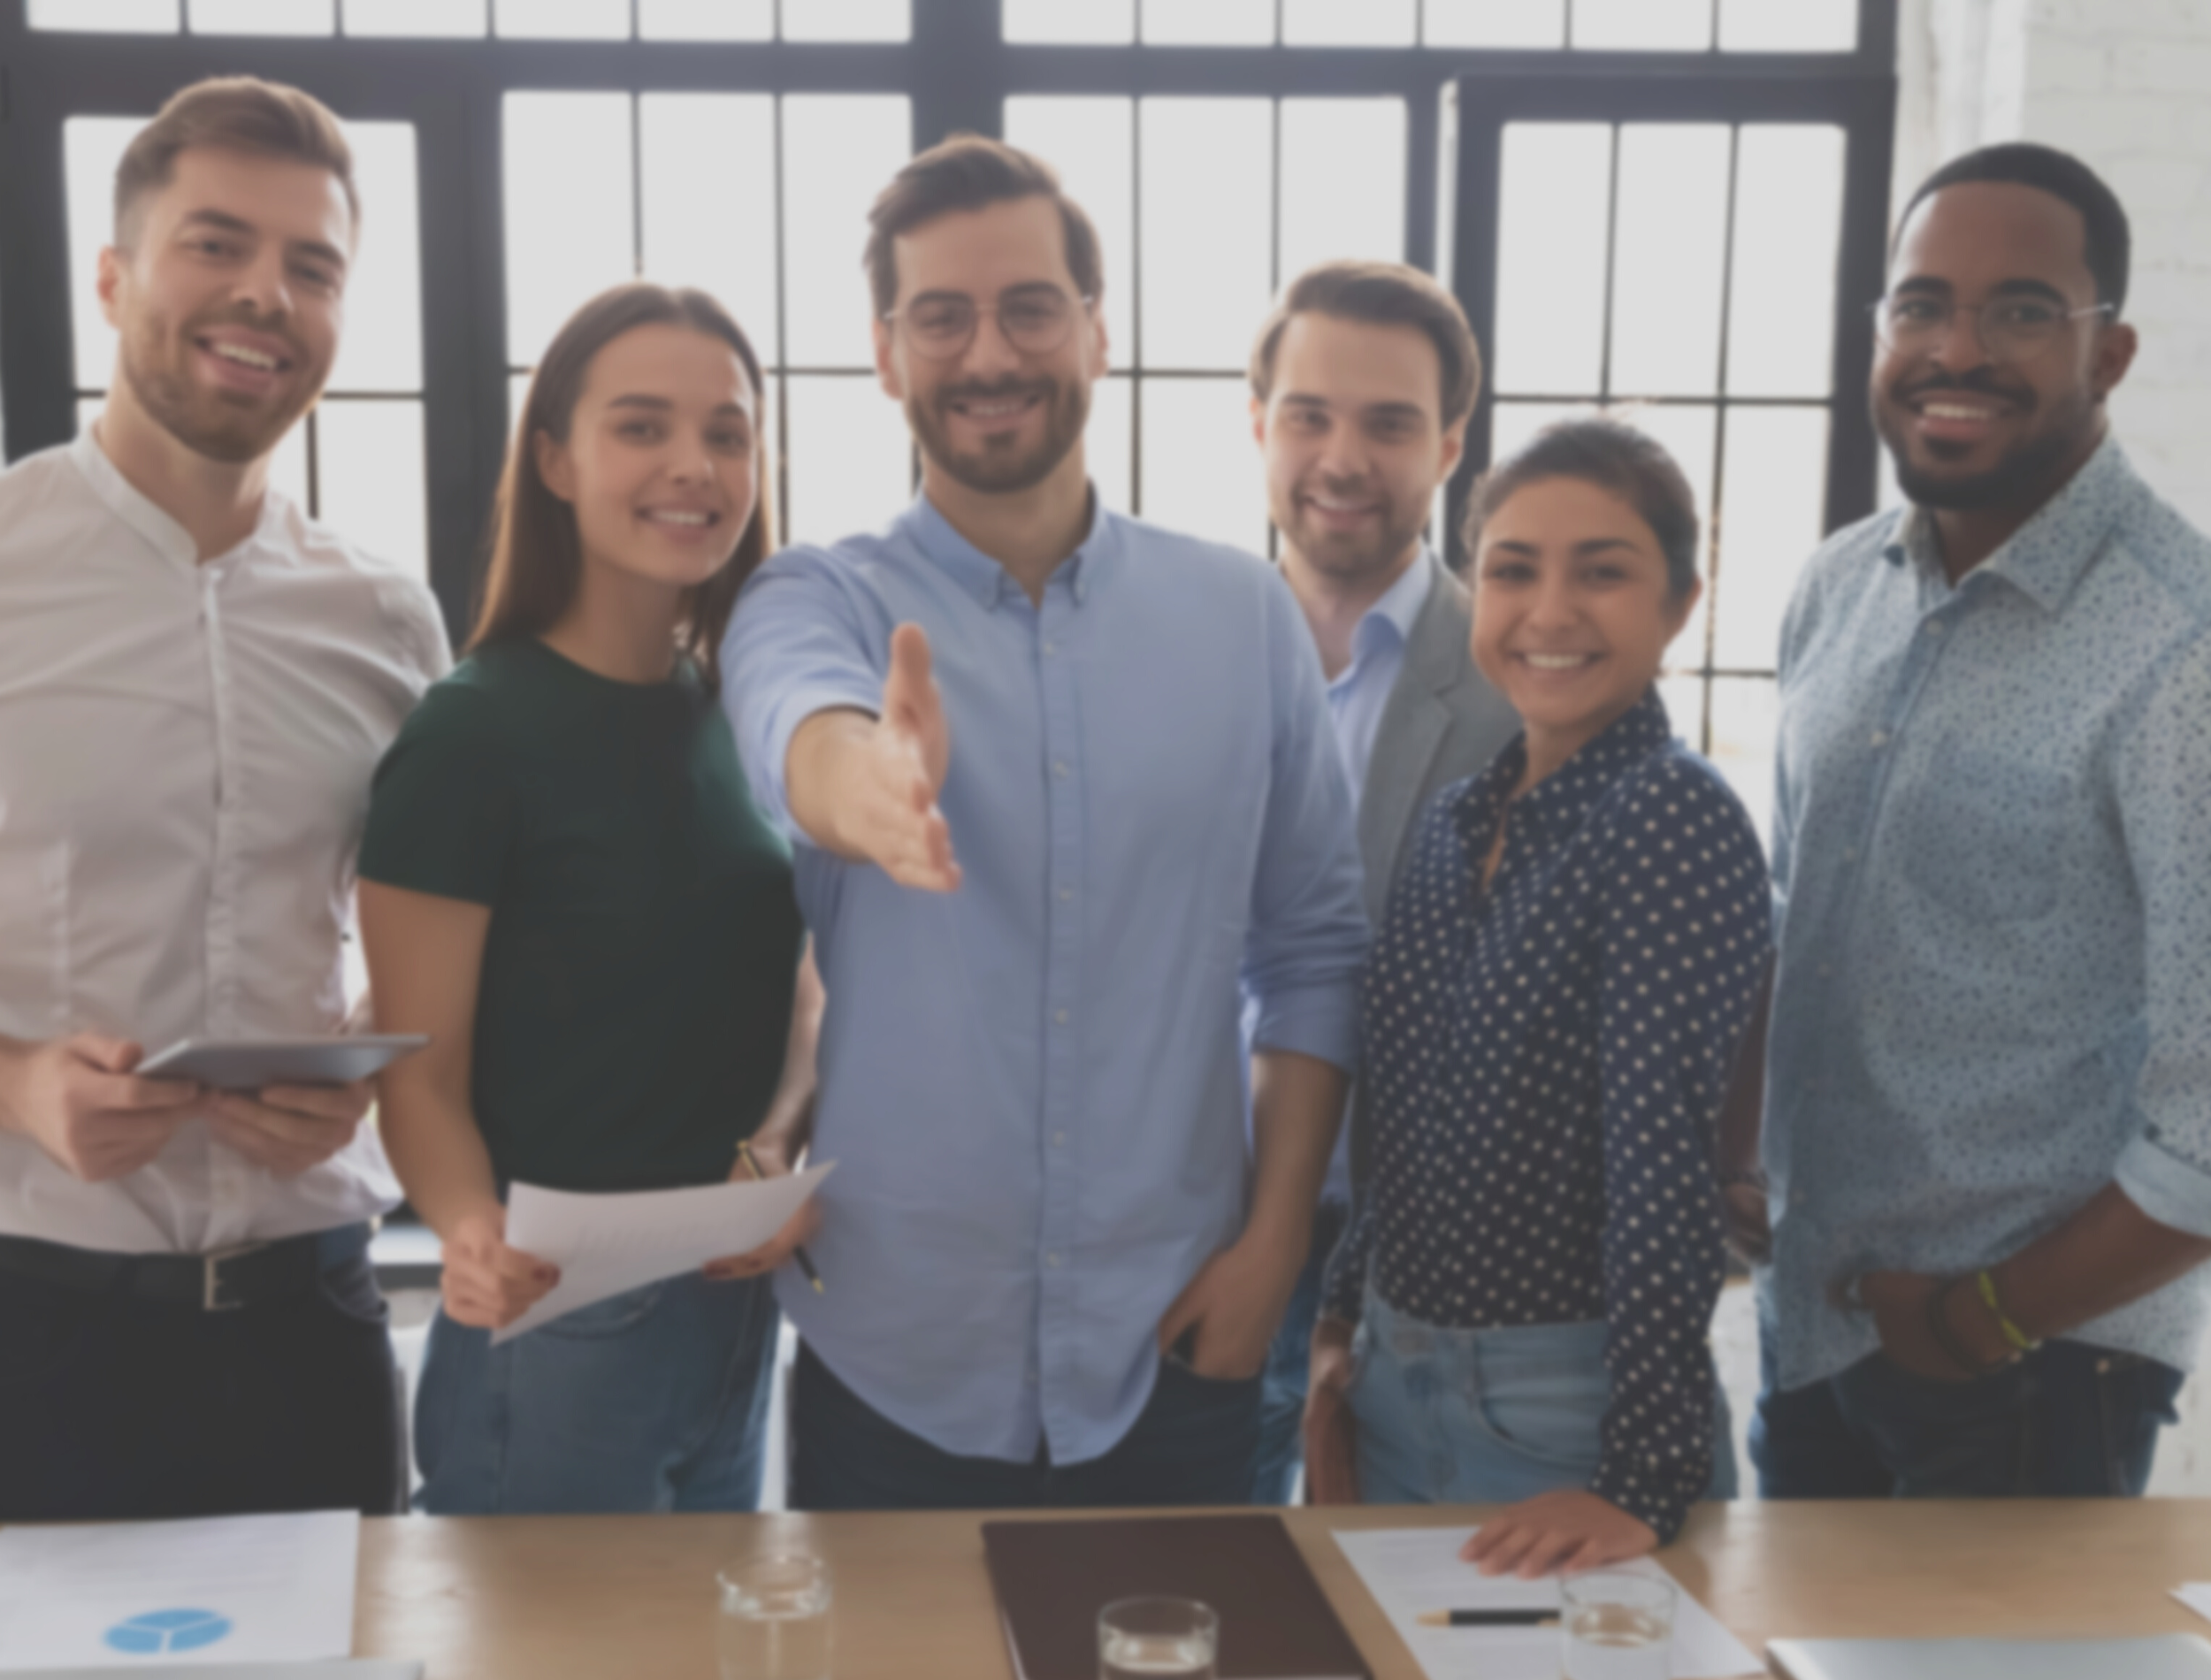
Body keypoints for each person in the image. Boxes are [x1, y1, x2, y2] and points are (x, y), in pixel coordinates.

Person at [721, 136, 1368, 1511]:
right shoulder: (812, 596)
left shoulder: (1242, 616)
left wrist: (1270, 1254)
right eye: (939, 317)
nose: (989, 353)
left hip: (1180, 1339)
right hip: (896, 1361)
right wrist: (876, 784)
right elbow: (804, 740)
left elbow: (1312, 949)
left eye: (1029, 307)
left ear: (1097, 331)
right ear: (887, 356)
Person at [1734, 142, 2211, 1500]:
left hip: (2025, 1370)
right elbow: (1794, 908)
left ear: (2107, 354)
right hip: (1817, 1325)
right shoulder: (1839, 586)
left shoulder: (2183, 650)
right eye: (1920, 304)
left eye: (2018, 310)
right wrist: (1733, 1149)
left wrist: (1976, 1322)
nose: (1957, 347)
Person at [0, 78, 448, 1521]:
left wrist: (363, 1086)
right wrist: (18, 1088)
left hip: (310, 1314)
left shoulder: (389, 618)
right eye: (216, 244)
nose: (266, 294)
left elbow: (428, 950)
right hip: (34, 1317)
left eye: (312, 268)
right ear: (116, 274)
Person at [357, 283, 818, 1514]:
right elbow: (417, 1072)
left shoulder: (735, 711)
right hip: (556, 1323)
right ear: (554, 459)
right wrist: (464, 1229)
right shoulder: (471, 733)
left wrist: (772, 1149)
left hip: (730, 1307)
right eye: (641, 426)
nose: (695, 465)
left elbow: (789, 988)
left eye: (727, 432)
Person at [1305, 418, 1768, 1576]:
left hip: (1569, 1419)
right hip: (1390, 1386)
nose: (1550, 611)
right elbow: (1401, 1110)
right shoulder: (1460, 818)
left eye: (1603, 571)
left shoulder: (1673, 816)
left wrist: (1644, 1478)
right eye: (1513, 569)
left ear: (1681, 603)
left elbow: (1664, 1161)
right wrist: (1337, 1324)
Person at [1243, 261, 1517, 1504]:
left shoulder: (1528, 676)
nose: (1342, 457)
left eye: (1390, 423)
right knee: (1204, 1578)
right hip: (1198, 1214)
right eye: (1309, 415)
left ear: (1451, 443)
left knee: (1403, 1606)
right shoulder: (1184, 650)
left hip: (1429, 1250)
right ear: (1260, 424)